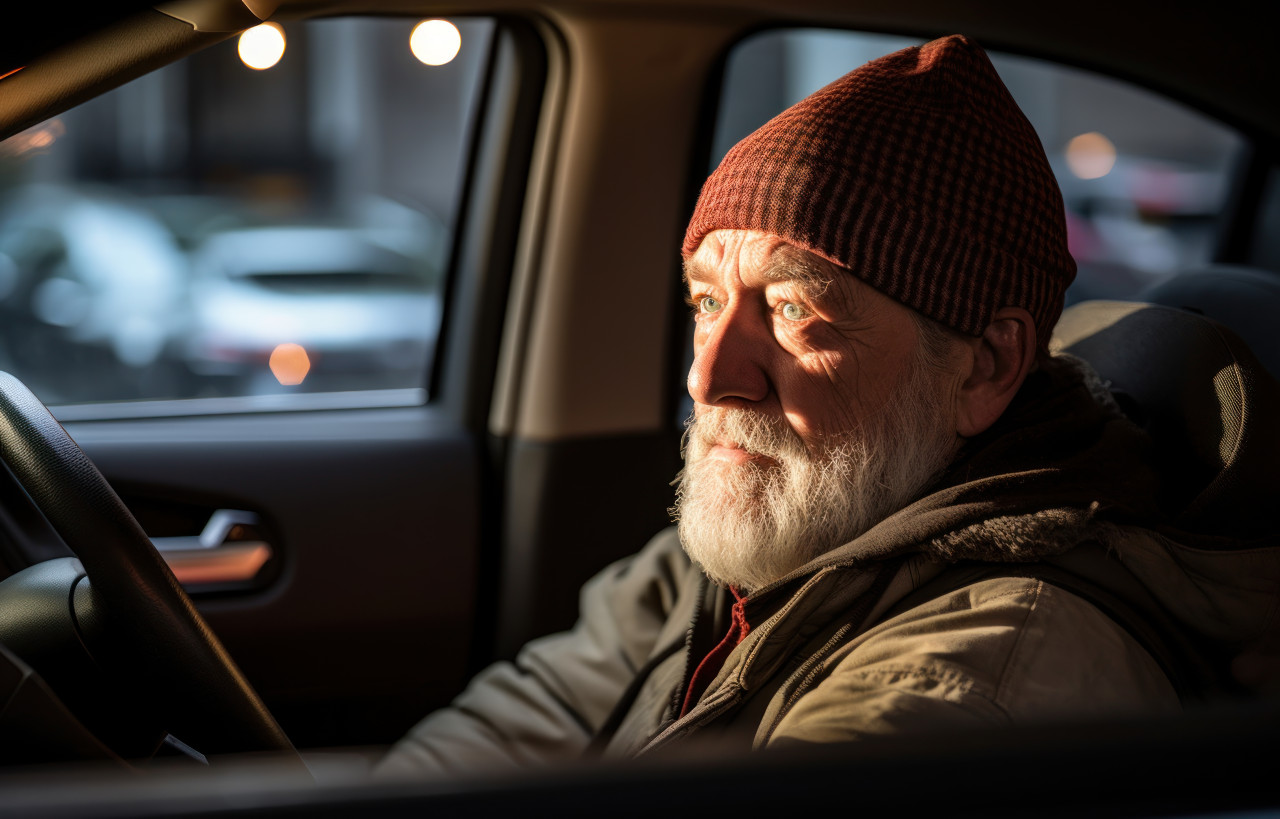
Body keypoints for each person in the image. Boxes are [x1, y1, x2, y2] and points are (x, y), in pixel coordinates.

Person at [377, 34, 1280, 777]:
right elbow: (533, 713)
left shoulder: (981, 676)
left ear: (986, 365)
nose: (708, 378)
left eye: (794, 310)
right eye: (706, 302)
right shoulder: (776, 529)